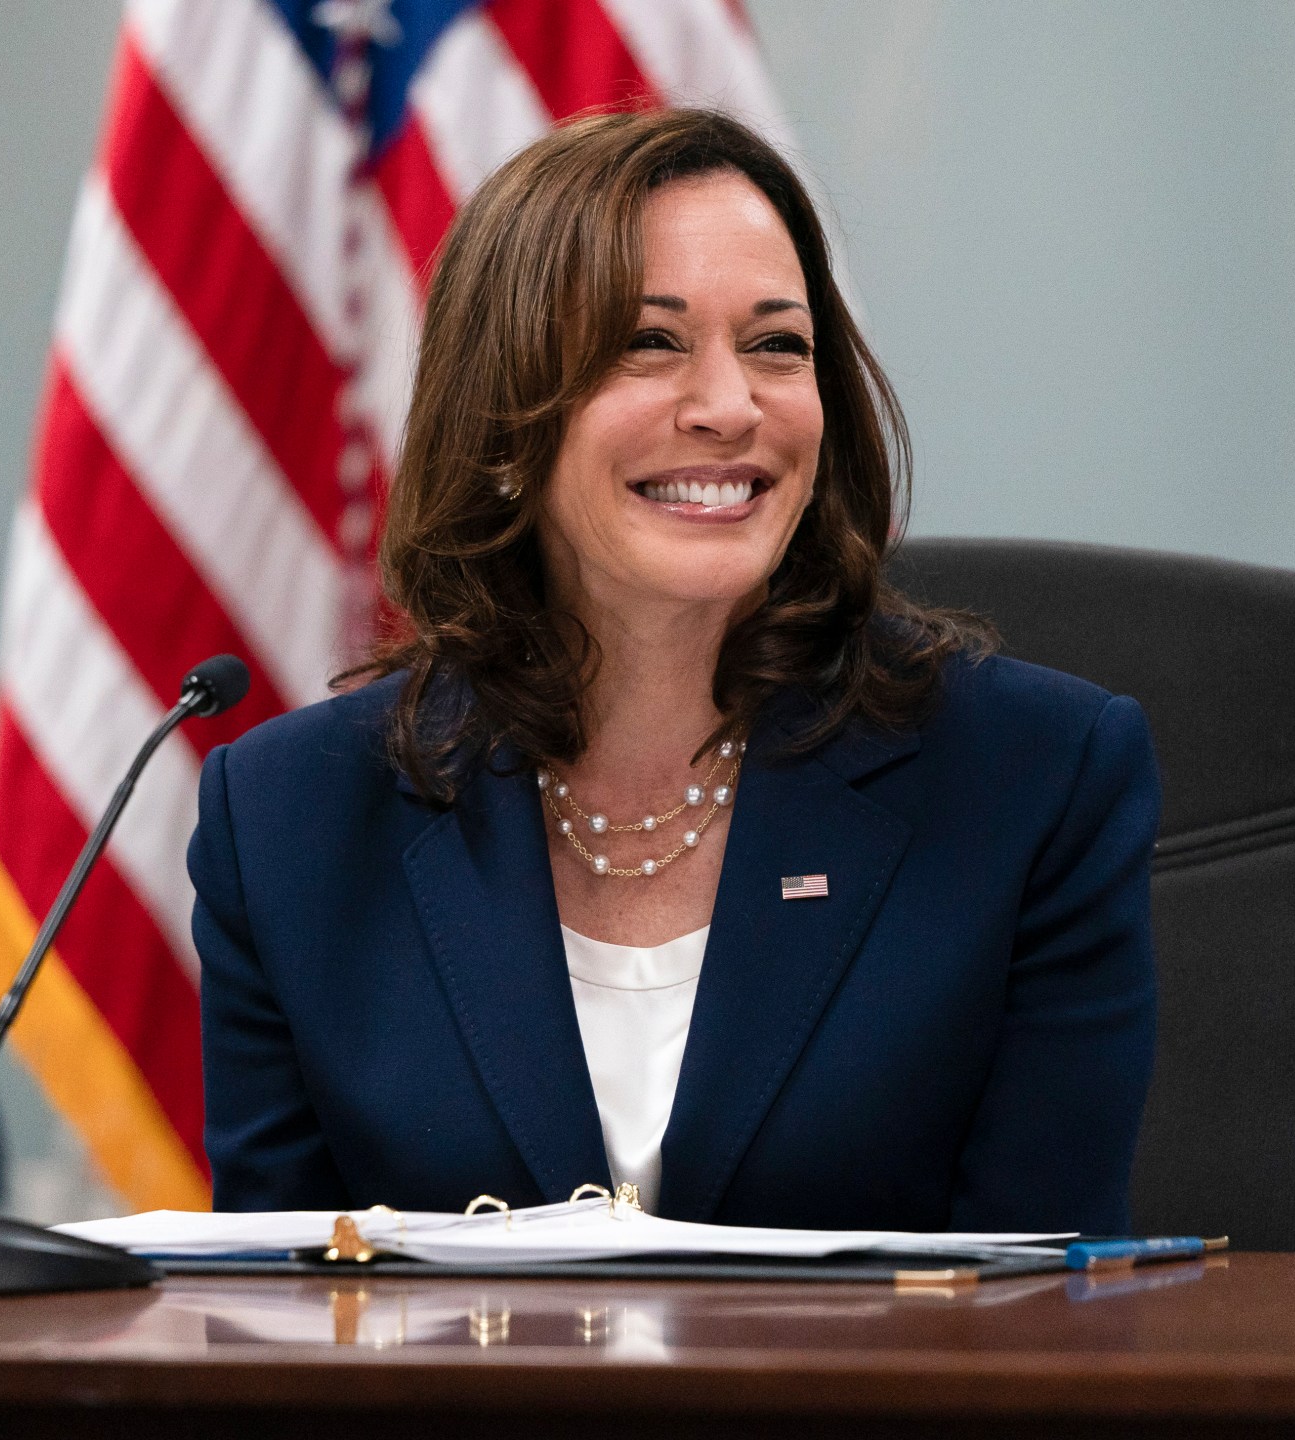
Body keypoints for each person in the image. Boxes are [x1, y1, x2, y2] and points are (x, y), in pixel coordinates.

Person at [189, 108, 1158, 1232]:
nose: (729, 407)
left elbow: (1040, 1310)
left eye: (775, 345)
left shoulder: (1032, 779)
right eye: (648, 343)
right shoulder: (292, 820)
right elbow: (285, 1335)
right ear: (504, 421)